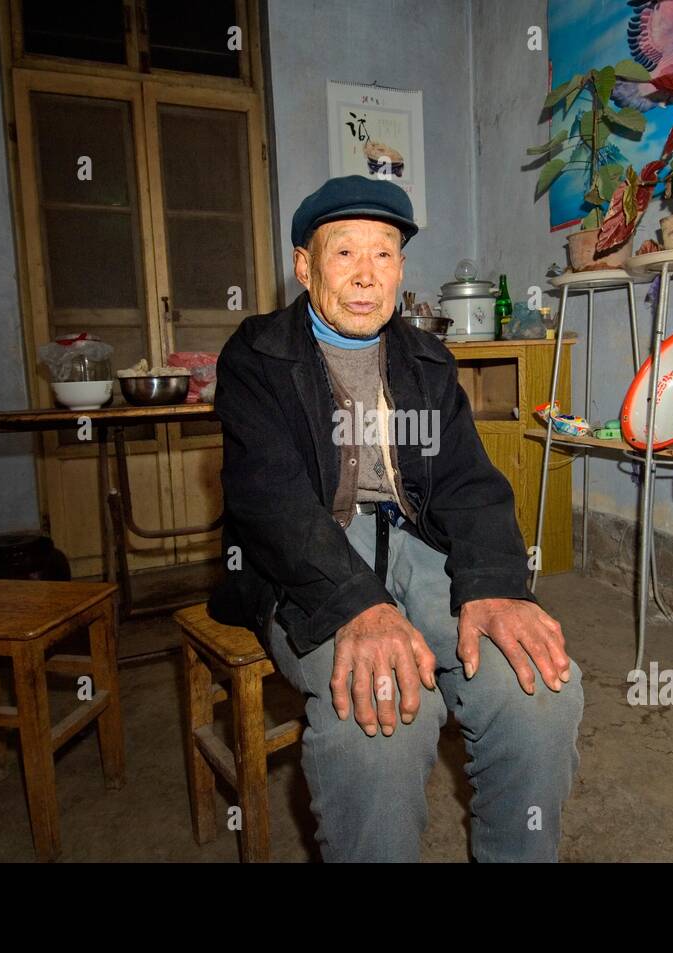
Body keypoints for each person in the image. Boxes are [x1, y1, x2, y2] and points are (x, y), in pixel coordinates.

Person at [208, 175, 584, 862]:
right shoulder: (257, 355)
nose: (364, 276)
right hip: (312, 552)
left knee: (541, 688)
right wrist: (359, 606)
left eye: (383, 255)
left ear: (402, 269)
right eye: (343, 252)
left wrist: (495, 582)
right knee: (380, 713)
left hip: (416, 539)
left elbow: (470, 484)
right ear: (304, 265)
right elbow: (270, 501)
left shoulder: (426, 359)